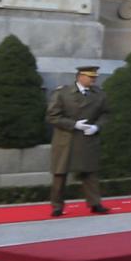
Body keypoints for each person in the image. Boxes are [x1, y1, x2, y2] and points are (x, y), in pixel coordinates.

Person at [45, 64, 109, 217]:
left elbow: (107, 114)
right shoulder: (63, 93)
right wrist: (74, 125)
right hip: (66, 139)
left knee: (90, 173)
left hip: (87, 138)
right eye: (90, 77)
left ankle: (95, 203)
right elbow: (52, 116)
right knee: (60, 174)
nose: (93, 79)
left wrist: (97, 127)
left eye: (95, 77)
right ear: (80, 76)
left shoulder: (99, 94)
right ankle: (57, 206)